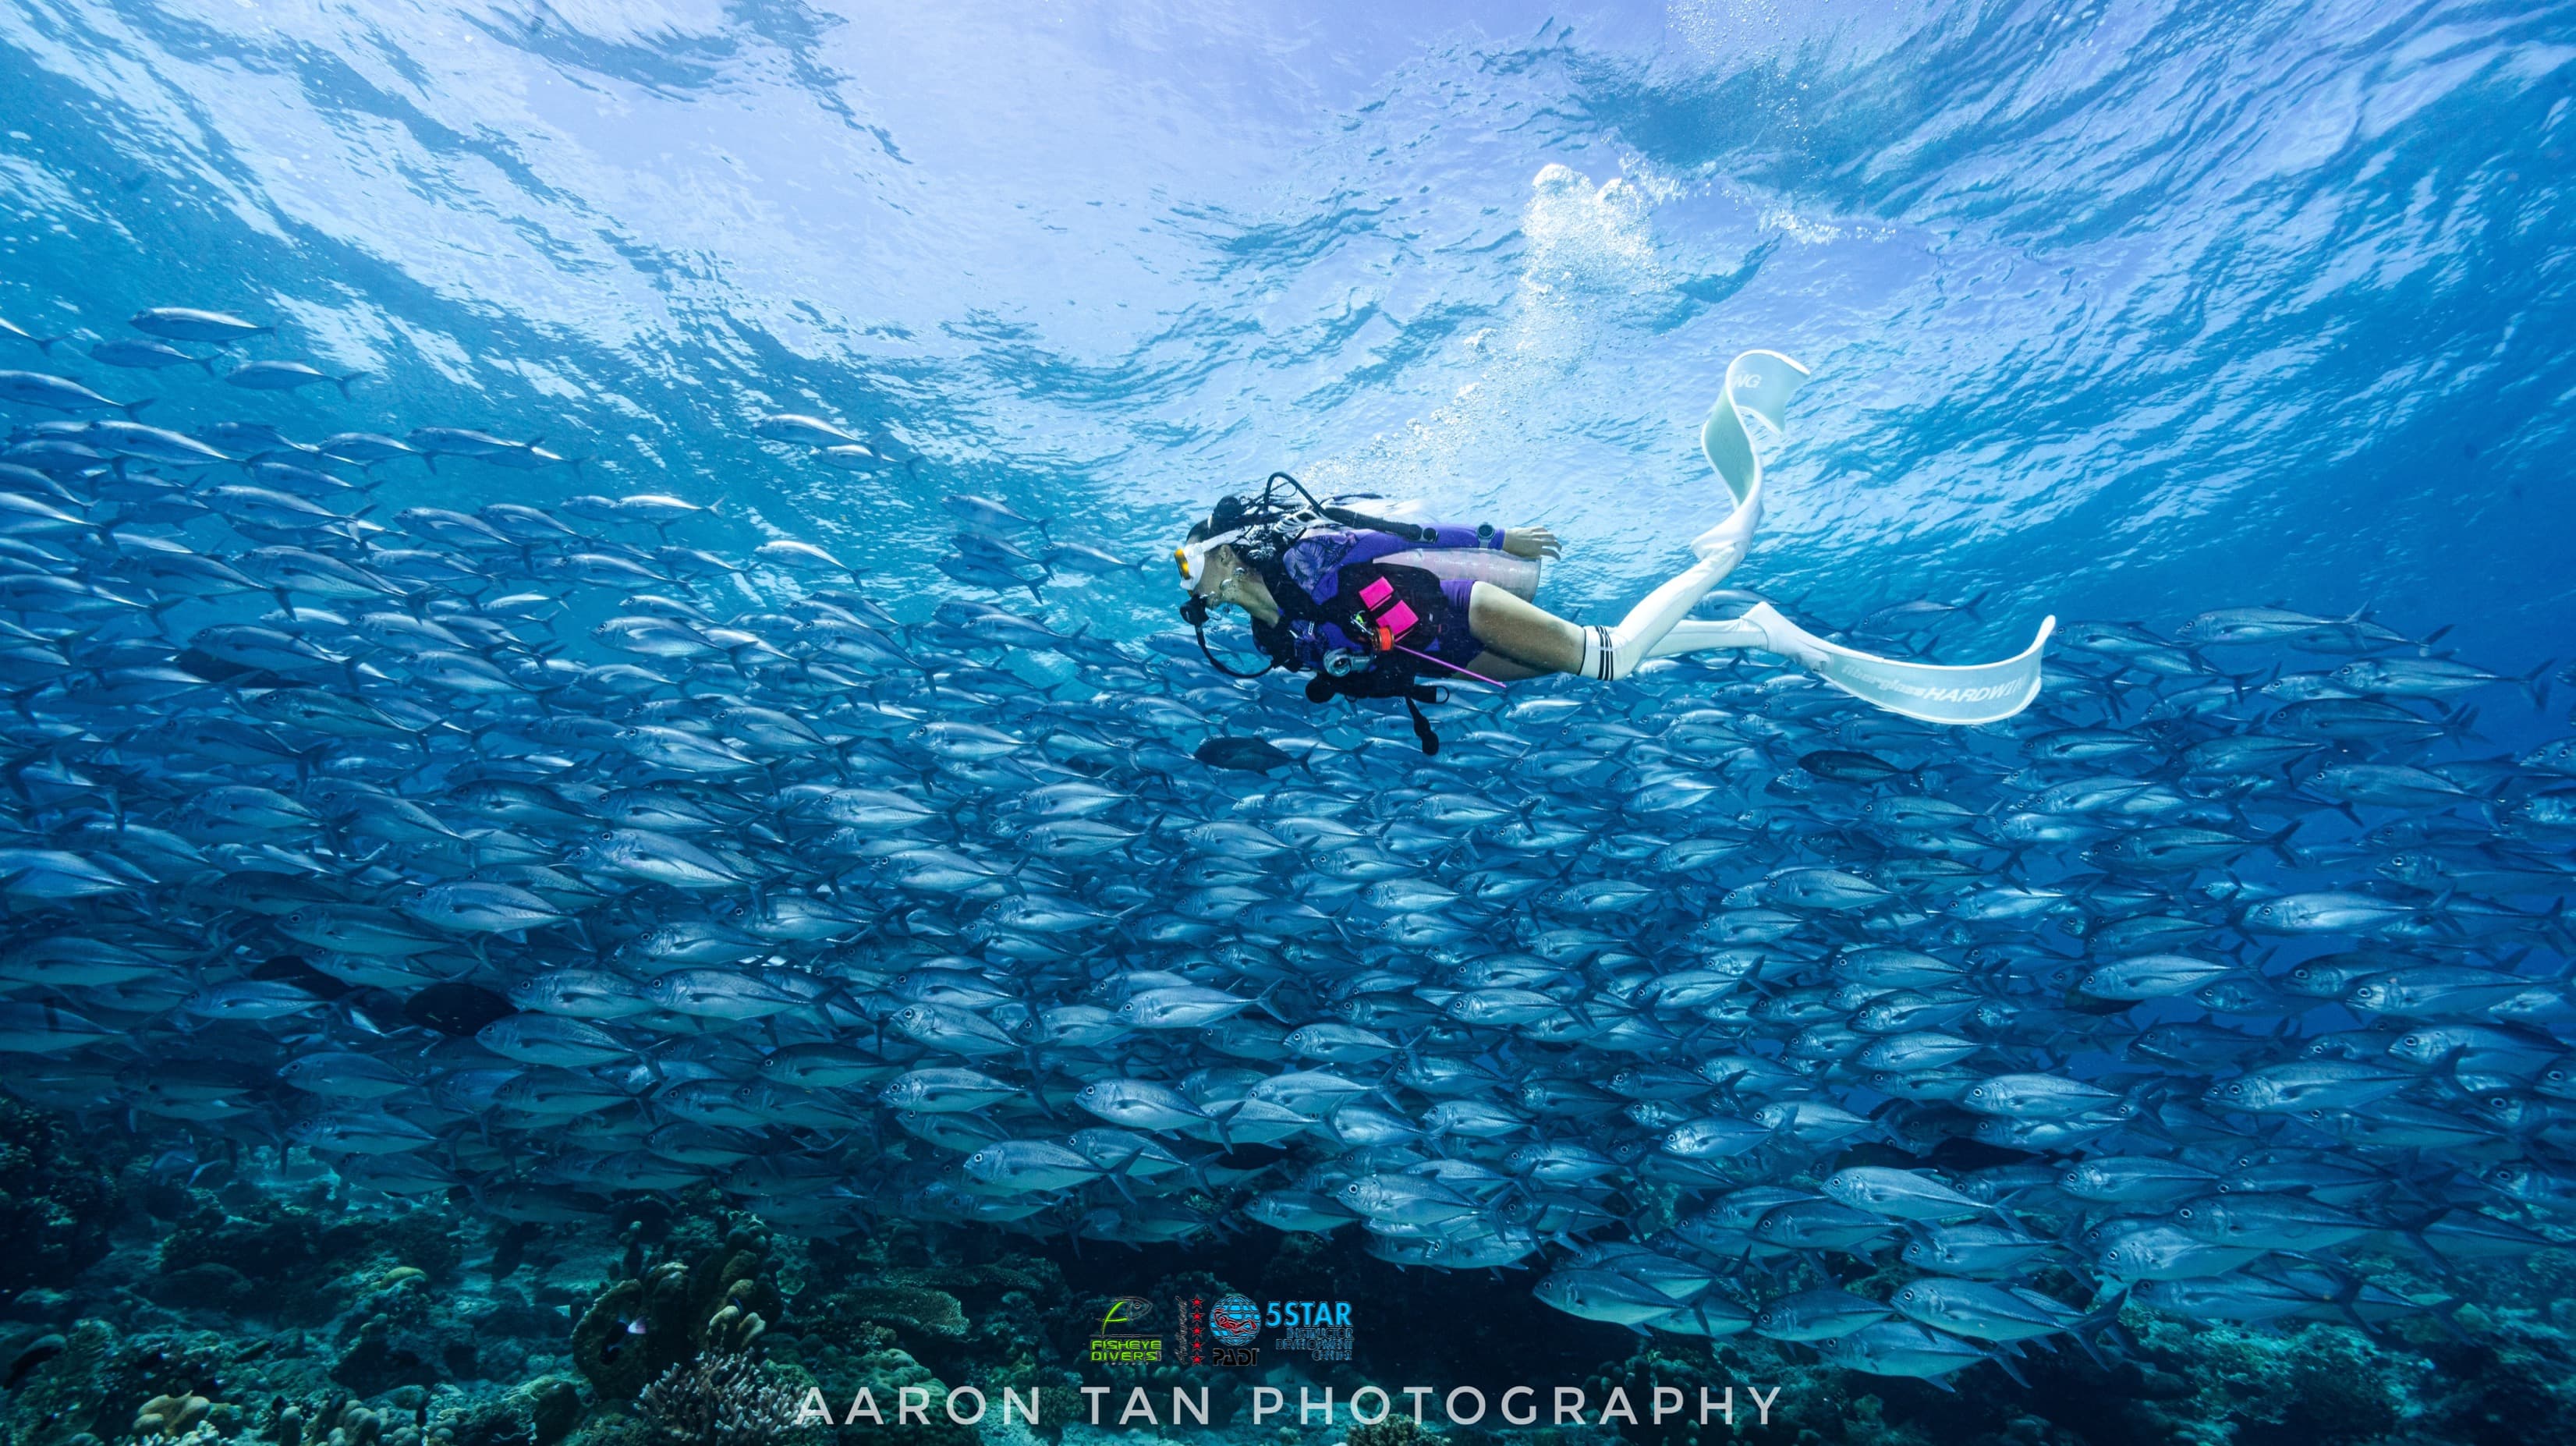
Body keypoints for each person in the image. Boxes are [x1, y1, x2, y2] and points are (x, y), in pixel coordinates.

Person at [1175, 351, 2053, 751]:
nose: (1189, 582)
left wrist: (1495, 538)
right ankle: (1754, 631)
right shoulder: (1268, 637)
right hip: (1452, 662)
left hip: (1460, 611)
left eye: (1188, 564)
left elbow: (1401, 539)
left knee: (1612, 661)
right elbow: (1351, 669)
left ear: (1224, 552)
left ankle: (1721, 561)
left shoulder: (1305, 557)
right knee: (1597, 660)